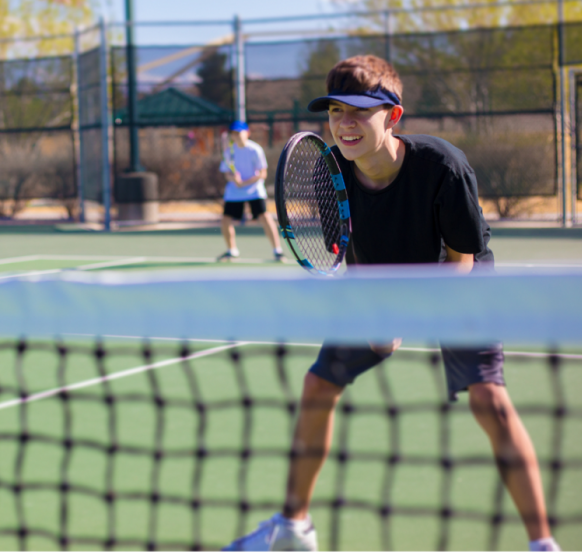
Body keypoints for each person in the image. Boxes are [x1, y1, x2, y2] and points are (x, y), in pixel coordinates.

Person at [223, 55, 560, 552]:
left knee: (489, 399)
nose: (345, 124)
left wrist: (410, 314)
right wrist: (378, 318)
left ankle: (542, 544)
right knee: (318, 384)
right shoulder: (327, 169)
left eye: (359, 111)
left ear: (393, 116)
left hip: (457, 277)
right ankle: (294, 530)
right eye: (336, 112)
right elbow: (349, 251)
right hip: (379, 280)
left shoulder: (442, 166)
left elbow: (460, 259)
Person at [217, 121, 285, 262]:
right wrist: (233, 179)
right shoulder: (228, 151)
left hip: (254, 190)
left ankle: (277, 251)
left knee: (265, 217)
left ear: (247, 133)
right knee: (225, 220)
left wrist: (245, 182)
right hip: (234, 191)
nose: (236, 136)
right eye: (233, 133)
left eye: (239, 132)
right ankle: (232, 251)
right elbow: (226, 173)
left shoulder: (255, 150)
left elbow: (262, 173)